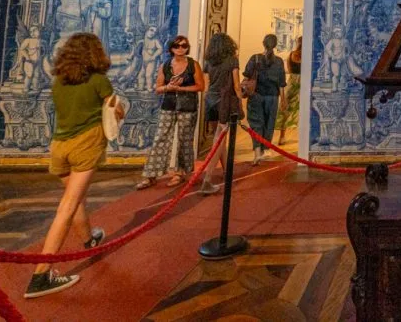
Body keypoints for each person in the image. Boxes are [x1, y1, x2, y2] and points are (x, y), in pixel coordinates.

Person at [25, 33, 123, 299]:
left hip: (59, 146)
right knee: (67, 207)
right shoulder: (98, 80)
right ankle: (41, 274)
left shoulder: (59, 82)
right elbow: (115, 110)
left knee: (75, 199)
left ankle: (89, 239)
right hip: (84, 145)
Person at [135, 35, 205, 190]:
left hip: (188, 106)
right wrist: (169, 87)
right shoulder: (165, 66)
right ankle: (151, 174)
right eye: (177, 46)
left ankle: (180, 172)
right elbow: (158, 88)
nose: (181, 49)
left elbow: (200, 86)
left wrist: (181, 88)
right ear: (171, 48)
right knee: (160, 138)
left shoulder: (193, 65)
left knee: (184, 139)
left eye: (184, 45)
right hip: (169, 104)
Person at [201, 32, 242, 194]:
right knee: (219, 140)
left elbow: (206, 85)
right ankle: (207, 179)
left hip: (210, 99)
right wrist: (239, 103)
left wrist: (208, 99)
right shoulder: (232, 60)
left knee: (218, 138)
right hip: (224, 101)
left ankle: (227, 172)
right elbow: (237, 85)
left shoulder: (208, 61)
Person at [244, 35, 286, 165]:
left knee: (257, 123)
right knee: (269, 124)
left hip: (256, 95)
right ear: (275, 45)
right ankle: (266, 149)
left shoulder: (255, 58)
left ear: (263, 43)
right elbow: (281, 83)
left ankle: (257, 151)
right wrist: (284, 100)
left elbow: (246, 76)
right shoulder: (278, 61)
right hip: (273, 96)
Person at [281, 37, 302, 142]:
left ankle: (282, 136)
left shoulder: (291, 54)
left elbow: (289, 69)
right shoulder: (307, 55)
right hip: (303, 83)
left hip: (292, 82)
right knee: (301, 110)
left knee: (286, 109)